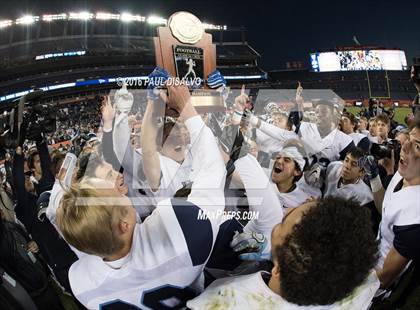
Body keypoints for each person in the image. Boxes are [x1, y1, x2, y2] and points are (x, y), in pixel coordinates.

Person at [56, 84, 226, 309]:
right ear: (125, 225)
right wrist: (187, 108)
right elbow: (214, 172)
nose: (120, 185)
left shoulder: (81, 282)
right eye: (116, 193)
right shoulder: (179, 231)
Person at [187, 197, 379, 309]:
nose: (308, 200)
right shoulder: (355, 286)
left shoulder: (219, 301)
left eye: (282, 222)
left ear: (278, 270)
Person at [361, 117, 420, 293]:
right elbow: (384, 210)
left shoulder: (415, 217)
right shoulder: (403, 174)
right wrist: (374, 178)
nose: (405, 147)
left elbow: (386, 277)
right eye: (408, 139)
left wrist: (353, 296)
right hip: (372, 255)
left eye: (417, 146)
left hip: (376, 282)